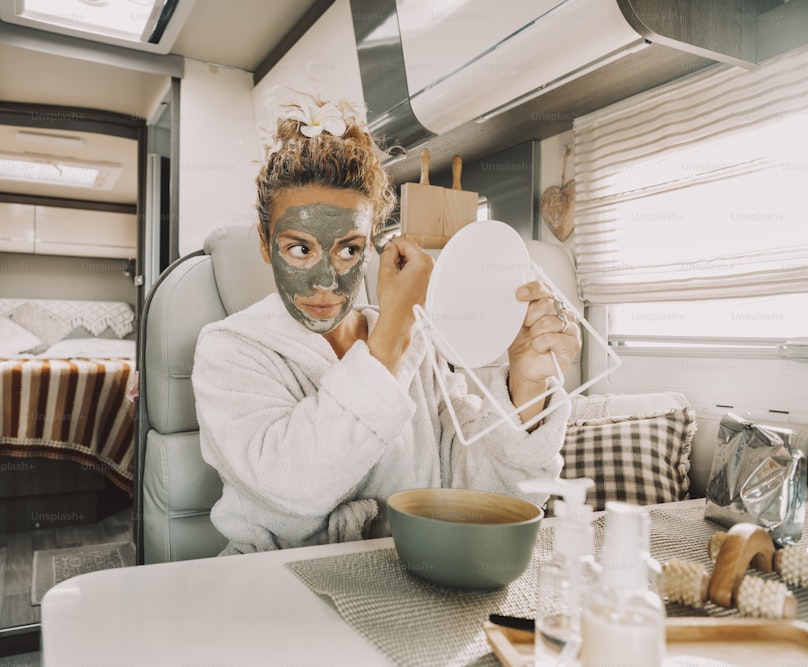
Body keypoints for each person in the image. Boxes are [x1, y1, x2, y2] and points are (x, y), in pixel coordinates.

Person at [192, 95, 581, 555]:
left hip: (411, 573)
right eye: (300, 250)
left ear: (370, 246)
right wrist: (392, 331)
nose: (325, 280)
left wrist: (527, 385)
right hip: (274, 586)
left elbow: (478, 493)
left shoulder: (418, 343)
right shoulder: (229, 350)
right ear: (264, 243)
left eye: (348, 250)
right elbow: (291, 487)